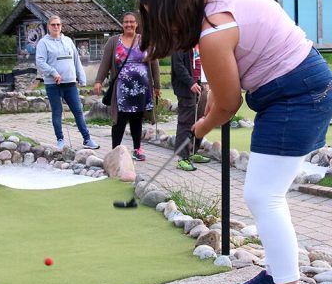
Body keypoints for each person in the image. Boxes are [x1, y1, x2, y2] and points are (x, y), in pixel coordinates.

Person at [138, 0, 332, 284]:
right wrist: (208, 115)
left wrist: (201, 127)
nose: (162, 26)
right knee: (265, 194)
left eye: (157, 15)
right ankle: (278, 275)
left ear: (169, 6)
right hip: (296, 88)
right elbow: (221, 89)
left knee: (264, 196)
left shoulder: (214, 31)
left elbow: (230, 105)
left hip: (299, 94)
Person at [94, 12, 160, 161]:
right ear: (122, 24)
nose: (129, 25)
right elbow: (105, 63)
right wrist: (98, 81)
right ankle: (115, 152)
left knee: (137, 120)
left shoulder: (146, 41)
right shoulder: (113, 41)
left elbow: (154, 64)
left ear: (136, 24)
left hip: (141, 89)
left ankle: (137, 150)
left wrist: (157, 85)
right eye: (125, 22)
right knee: (119, 121)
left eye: (132, 22)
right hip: (121, 90)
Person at [35, 15, 100, 150]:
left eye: (58, 24)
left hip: (70, 83)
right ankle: (60, 140)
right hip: (53, 84)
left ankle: (87, 139)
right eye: (53, 24)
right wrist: (53, 73)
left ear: (61, 26)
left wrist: (82, 78)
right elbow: (40, 62)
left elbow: (76, 60)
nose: (56, 27)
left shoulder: (68, 41)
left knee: (78, 111)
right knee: (57, 112)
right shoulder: (43, 43)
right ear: (48, 26)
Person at [171, 46, 211, 171]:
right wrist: (190, 83)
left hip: (202, 85)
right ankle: (182, 158)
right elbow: (178, 66)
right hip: (187, 88)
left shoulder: (201, 40)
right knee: (186, 122)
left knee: (200, 118)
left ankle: (193, 151)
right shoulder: (180, 41)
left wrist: (207, 81)